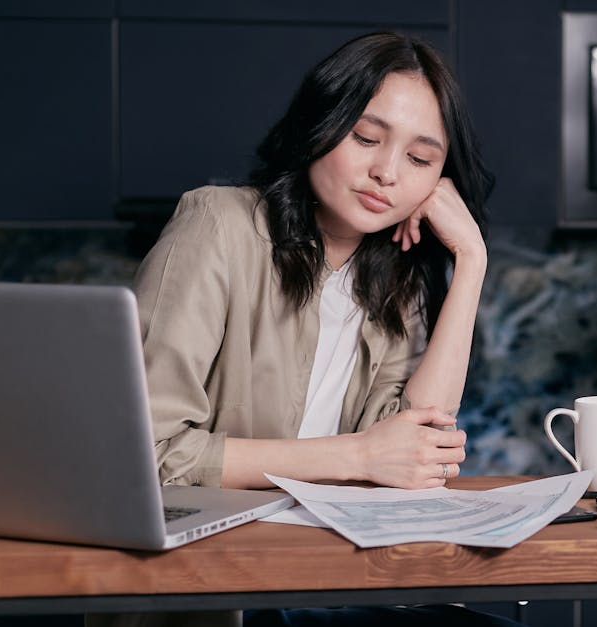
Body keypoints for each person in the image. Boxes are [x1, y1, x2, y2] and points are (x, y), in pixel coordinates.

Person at [91, 32, 519, 627]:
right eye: (366, 138)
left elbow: (414, 454)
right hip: (214, 590)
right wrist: (360, 455)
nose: (386, 172)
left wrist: (471, 260)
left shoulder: (394, 278)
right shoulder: (218, 226)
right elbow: (146, 455)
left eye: (420, 159)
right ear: (319, 124)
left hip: (326, 576)